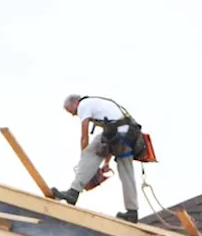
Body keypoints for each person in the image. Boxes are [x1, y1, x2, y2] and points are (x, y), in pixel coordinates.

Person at [50, 94, 147, 223]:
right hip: (129, 134)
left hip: (119, 132)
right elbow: (112, 136)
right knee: (127, 173)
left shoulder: (84, 105)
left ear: (75, 103)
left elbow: (84, 137)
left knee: (91, 152)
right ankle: (132, 212)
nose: (74, 115)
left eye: (73, 112)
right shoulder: (103, 107)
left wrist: (83, 160)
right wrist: (106, 162)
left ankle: (73, 192)